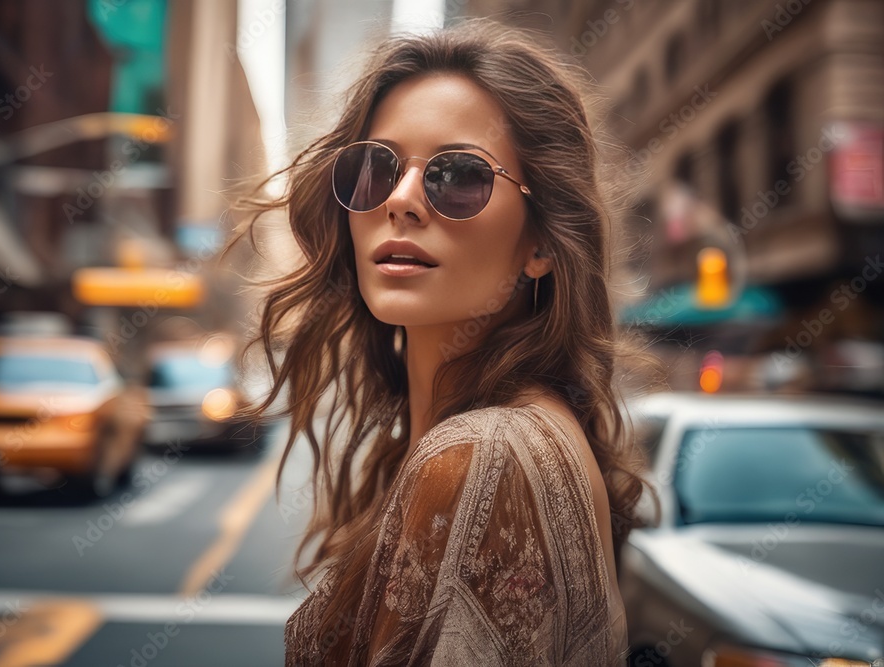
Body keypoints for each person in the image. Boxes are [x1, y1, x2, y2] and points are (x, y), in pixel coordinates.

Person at [227, 19, 649, 666]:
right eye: (374, 169)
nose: (400, 199)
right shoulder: (525, 429)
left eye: (457, 177)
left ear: (540, 244)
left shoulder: (483, 454)